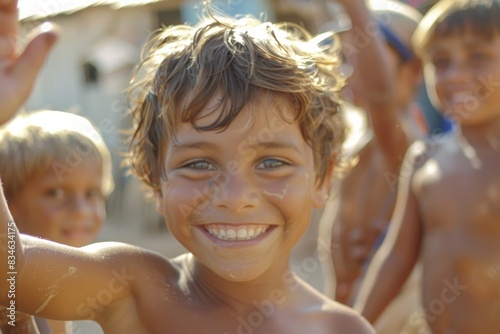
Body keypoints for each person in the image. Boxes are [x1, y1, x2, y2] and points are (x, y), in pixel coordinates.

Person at [0, 1, 374, 333]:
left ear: (323, 177)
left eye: (272, 162)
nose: (235, 197)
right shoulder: (133, 288)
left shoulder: (342, 328)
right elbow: (8, 271)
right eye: (198, 164)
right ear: (155, 181)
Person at [353, 0, 500, 333]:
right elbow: (396, 258)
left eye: (478, 57)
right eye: (441, 62)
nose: (456, 75)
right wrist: (355, 322)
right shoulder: (424, 158)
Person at [317, 0, 425, 303]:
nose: (351, 71)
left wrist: (354, 8)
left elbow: (381, 96)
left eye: (366, 55)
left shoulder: (404, 140)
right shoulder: (354, 142)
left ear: (415, 68)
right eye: (346, 58)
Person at [0, 110, 114, 334]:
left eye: (92, 192)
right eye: (55, 192)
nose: (81, 211)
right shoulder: (17, 296)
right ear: (7, 202)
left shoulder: (59, 285)